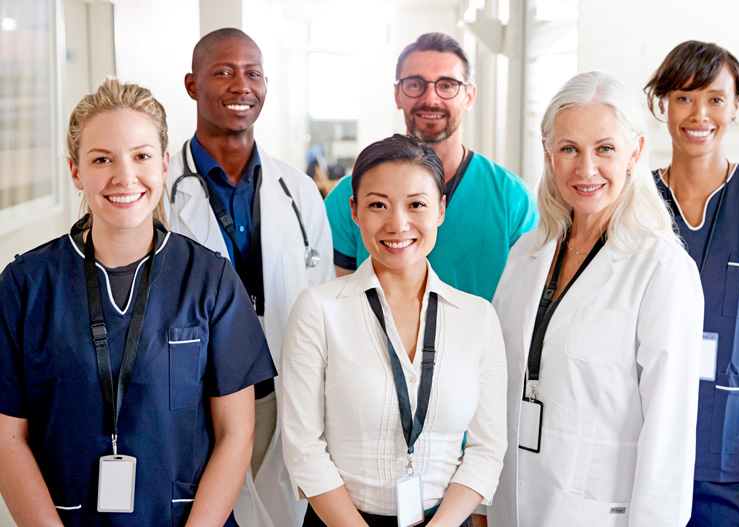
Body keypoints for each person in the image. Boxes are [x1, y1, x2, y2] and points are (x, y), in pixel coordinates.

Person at [0, 78, 273, 526]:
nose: (124, 177)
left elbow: (236, 433)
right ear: (75, 171)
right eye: (102, 159)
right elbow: (7, 436)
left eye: (142, 156)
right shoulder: (25, 286)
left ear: (164, 164)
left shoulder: (211, 280)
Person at [489, 71, 704, 526]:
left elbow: (669, 438)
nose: (586, 169)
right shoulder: (527, 254)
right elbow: (497, 389)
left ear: (635, 153)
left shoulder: (662, 270)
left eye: (605, 148)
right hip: (512, 504)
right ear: (548, 154)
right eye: (569, 149)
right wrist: (485, 504)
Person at [281, 134, 507, 527]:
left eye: (416, 204)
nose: (397, 224)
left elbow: (488, 450)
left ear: (441, 209)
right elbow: (302, 448)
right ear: (354, 211)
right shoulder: (319, 310)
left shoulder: (477, 317)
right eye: (377, 205)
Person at [166, 28, 335, 527]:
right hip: (198, 393)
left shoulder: (299, 191)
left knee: (278, 504)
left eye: (253, 73)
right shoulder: (160, 195)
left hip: (283, 389)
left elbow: (321, 300)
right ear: (192, 85)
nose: (242, 85)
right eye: (223, 72)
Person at [645, 41, 739, 527]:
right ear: (663, 103)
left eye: (715, 98)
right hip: (642, 447)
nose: (699, 113)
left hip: (731, 459)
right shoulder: (633, 205)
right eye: (684, 97)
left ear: (735, 106)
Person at [325, 32, 537, 301]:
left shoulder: (512, 200)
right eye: (415, 84)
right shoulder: (352, 195)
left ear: (469, 96)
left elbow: (526, 308)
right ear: (397, 94)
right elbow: (335, 305)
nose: (431, 98)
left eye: (447, 85)